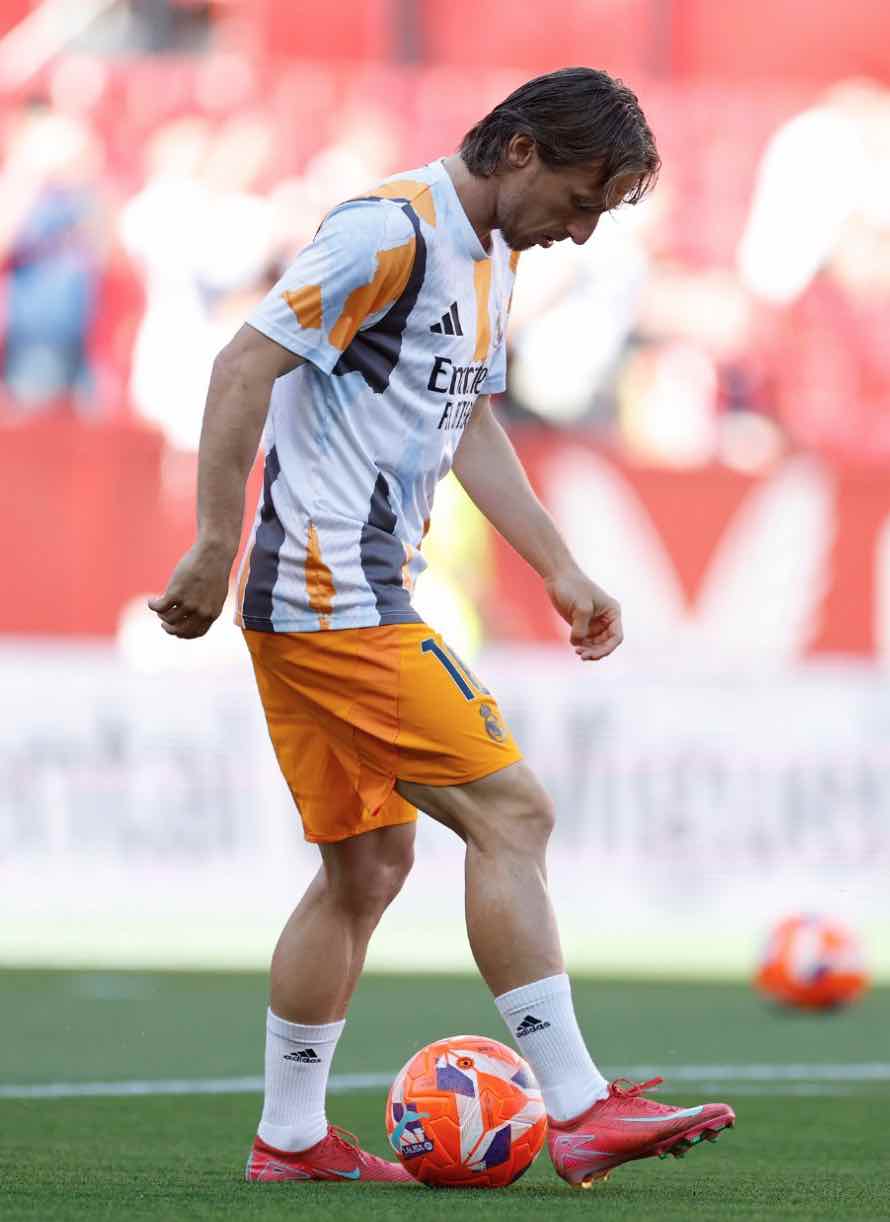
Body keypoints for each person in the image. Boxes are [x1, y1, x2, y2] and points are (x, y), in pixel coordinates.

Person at [149, 67, 735, 1188]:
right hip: (330, 589)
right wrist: (214, 545)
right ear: (519, 149)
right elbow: (243, 362)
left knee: (366, 867)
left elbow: (466, 423)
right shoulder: (385, 233)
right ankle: (576, 1105)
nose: (579, 231)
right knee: (512, 811)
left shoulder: (490, 258)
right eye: (579, 200)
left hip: (341, 591)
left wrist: (559, 565)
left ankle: (290, 1137)